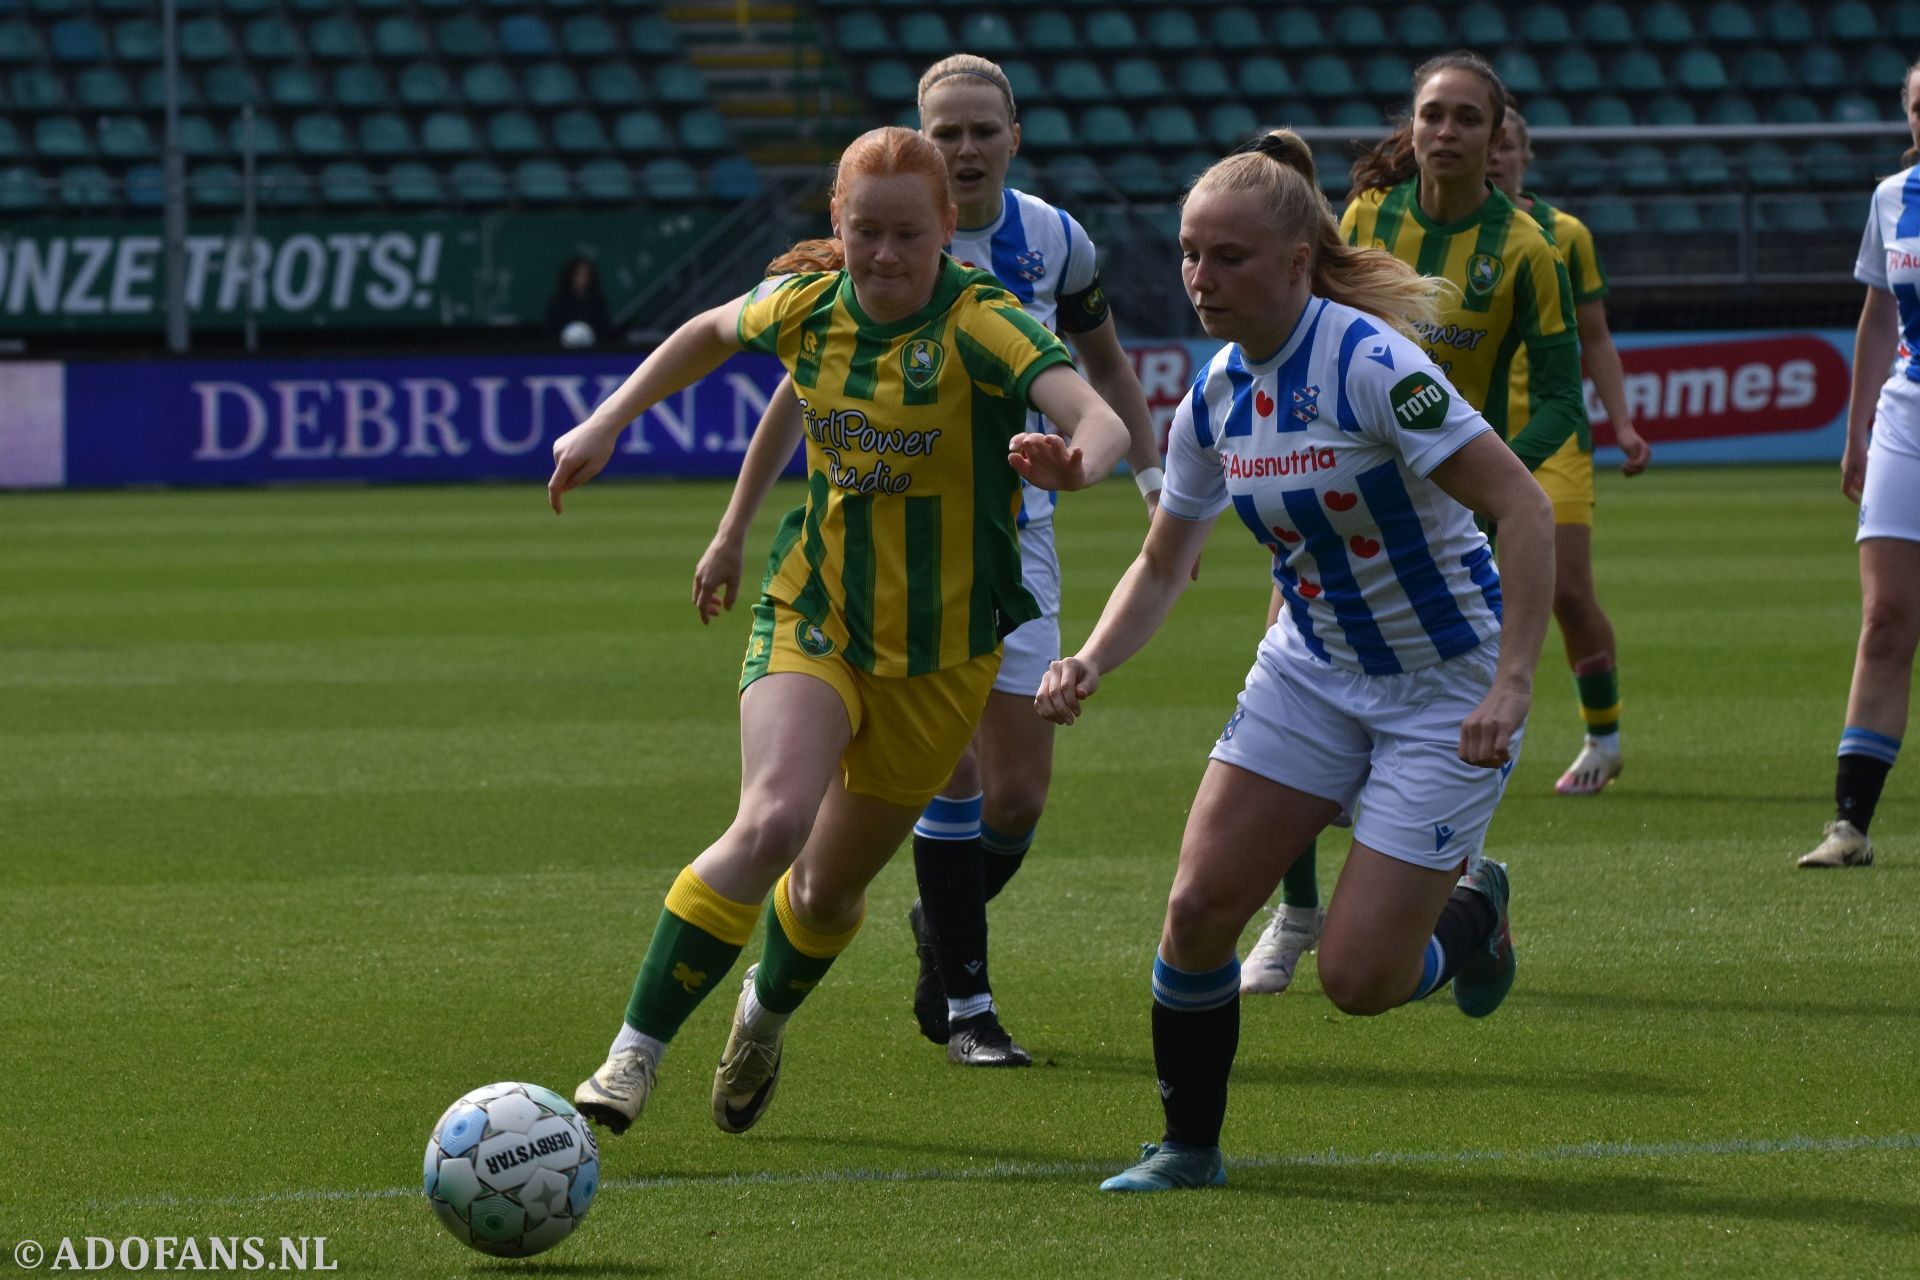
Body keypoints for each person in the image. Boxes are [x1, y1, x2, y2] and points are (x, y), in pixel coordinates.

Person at [549, 125, 1129, 1137]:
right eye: (867, 232)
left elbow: (1097, 409)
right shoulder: (810, 306)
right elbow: (707, 331)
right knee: (772, 819)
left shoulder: (982, 321)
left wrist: (1080, 460)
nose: (887, 255)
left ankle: (762, 1019)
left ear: (948, 228)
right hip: (813, 613)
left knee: (823, 892)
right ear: (837, 224)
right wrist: (608, 420)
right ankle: (628, 1059)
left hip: (944, 657)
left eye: (909, 234)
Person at [1034, 130, 1553, 1191]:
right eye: (1188, 252)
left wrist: (1511, 681)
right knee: (1196, 908)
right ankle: (1187, 1147)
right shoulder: (1216, 396)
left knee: (1360, 978)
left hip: (1443, 684)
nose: (1199, 277)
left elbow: (1523, 502)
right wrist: (1089, 656)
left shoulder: (1372, 364)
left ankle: (1475, 911)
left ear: (1295, 263)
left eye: (1227, 256)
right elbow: (1163, 563)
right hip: (1309, 671)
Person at [690, 53, 1166, 1066]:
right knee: (948, 772)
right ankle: (967, 1000)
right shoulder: (866, 240)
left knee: (1019, 793)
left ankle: (938, 929)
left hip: (1014, 536)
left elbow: (1107, 367)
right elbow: (796, 393)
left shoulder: (1055, 241)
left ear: (1013, 138)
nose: (964, 147)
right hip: (887, 543)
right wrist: (734, 525)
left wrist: (1149, 486)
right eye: (945, 131)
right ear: (921, 139)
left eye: (982, 130)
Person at [1240, 52, 1582, 996]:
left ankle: (1458, 905)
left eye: (1468, 118)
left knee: (1509, 640)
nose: (1446, 132)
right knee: (1292, 691)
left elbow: (1562, 395)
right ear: (1413, 125)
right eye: (1432, 114)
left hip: (1451, 511)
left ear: (1496, 135)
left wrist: (1477, 465)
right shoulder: (1364, 222)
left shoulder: (1530, 248)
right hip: (1333, 499)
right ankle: (1296, 913)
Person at [1488, 104, 1653, 797]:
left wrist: (1621, 422)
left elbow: (1595, 336)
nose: (1493, 156)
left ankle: (1604, 738)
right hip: (1463, 442)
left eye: (1505, 145)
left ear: (1526, 157)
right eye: (1487, 144)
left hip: (1552, 441)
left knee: (1566, 591)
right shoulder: (1428, 233)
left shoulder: (1564, 235)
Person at [1798, 58, 1920, 869]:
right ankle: (1850, 827)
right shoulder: (1892, 197)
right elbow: (1878, 314)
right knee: (1884, 622)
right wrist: (1857, 428)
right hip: (1909, 417)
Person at [544, 256, 612, 349]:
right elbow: (550, 330)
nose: (582, 279)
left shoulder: (597, 303)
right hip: (561, 355)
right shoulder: (558, 302)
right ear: (571, 276)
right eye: (578, 275)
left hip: (593, 355)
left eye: (585, 275)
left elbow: (604, 331)